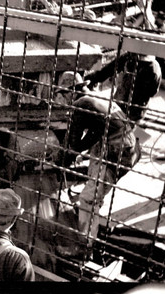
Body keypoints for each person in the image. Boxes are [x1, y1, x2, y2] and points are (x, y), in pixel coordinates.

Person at [54, 71, 144, 258]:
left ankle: (83, 248)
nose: (62, 99)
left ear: (71, 92)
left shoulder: (80, 105)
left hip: (115, 154)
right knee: (92, 194)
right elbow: (94, 134)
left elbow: (71, 143)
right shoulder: (97, 98)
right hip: (128, 149)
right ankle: (87, 232)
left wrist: (57, 165)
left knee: (89, 199)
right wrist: (79, 155)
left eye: (63, 95)